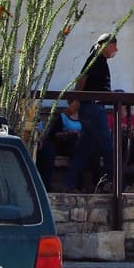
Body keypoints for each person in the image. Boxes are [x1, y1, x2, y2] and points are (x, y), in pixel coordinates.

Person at [63, 33, 118, 193]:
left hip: (91, 107)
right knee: (107, 145)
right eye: (114, 45)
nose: (116, 49)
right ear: (105, 45)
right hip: (92, 107)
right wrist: (77, 99)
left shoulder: (99, 60)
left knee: (84, 148)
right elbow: (82, 78)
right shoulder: (96, 58)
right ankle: (113, 182)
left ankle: (69, 183)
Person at [36, 99, 83, 191]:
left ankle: (78, 185)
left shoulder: (84, 116)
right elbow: (52, 135)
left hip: (79, 143)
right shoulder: (63, 116)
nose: (77, 104)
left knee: (80, 152)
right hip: (63, 143)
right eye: (75, 102)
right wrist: (67, 133)